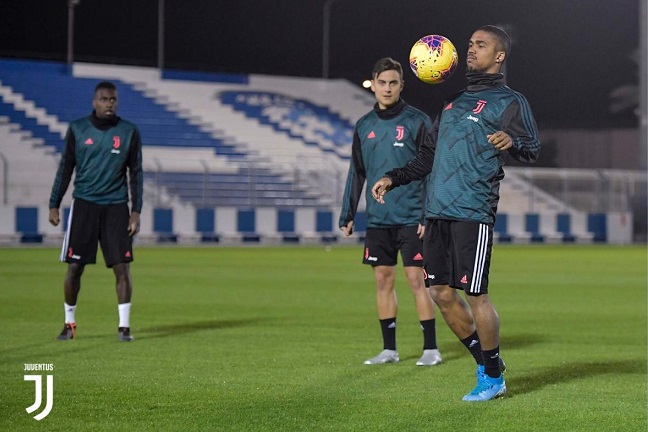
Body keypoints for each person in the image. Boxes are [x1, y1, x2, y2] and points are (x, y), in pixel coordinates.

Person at [371, 26, 541, 400]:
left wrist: (512, 141)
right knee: (440, 293)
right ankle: (487, 362)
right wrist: (393, 177)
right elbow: (427, 157)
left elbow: (532, 148)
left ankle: (492, 377)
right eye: (469, 44)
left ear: (499, 56)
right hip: (437, 212)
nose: (470, 49)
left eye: (480, 45)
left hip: (473, 210)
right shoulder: (452, 101)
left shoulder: (510, 101)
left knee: (476, 294)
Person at [339, 57, 442, 367]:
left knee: (416, 280)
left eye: (393, 82)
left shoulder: (417, 121)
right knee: (383, 280)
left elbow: (431, 170)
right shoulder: (364, 126)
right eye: (381, 83)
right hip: (379, 219)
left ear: (401, 85)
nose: (387, 88)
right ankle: (389, 349)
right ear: (374, 84)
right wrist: (348, 213)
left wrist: (427, 213)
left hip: (412, 216)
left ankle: (430, 349)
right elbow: (356, 172)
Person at [48, 81, 143, 342]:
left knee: (122, 267)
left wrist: (136, 211)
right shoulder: (78, 129)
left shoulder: (129, 132)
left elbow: (136, 173)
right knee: (75, 267)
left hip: (116, 206)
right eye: (103, 99)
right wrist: (54, 203)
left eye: (112, 99)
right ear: (94, 102)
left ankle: (124, 328)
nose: (108, 103)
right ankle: (69, 324)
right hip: (85, 205)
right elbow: (65, 168)